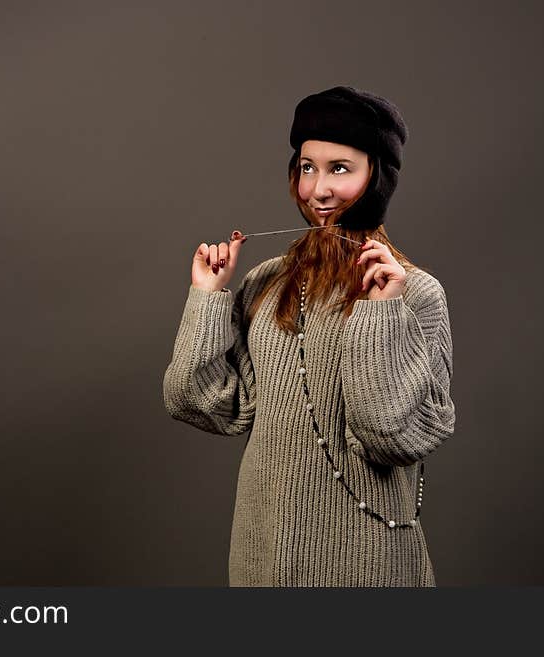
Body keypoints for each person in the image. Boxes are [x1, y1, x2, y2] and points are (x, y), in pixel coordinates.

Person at [162, 85, 456, 586]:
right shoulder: (265, 283)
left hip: (370, 567)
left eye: (340, 168)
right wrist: (208, 298)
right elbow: (201, 403)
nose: (317, 189)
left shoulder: (416, 295)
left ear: (377, 177)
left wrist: (378, 316)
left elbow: (389, 436)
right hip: (263, 561)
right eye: (307, 167)